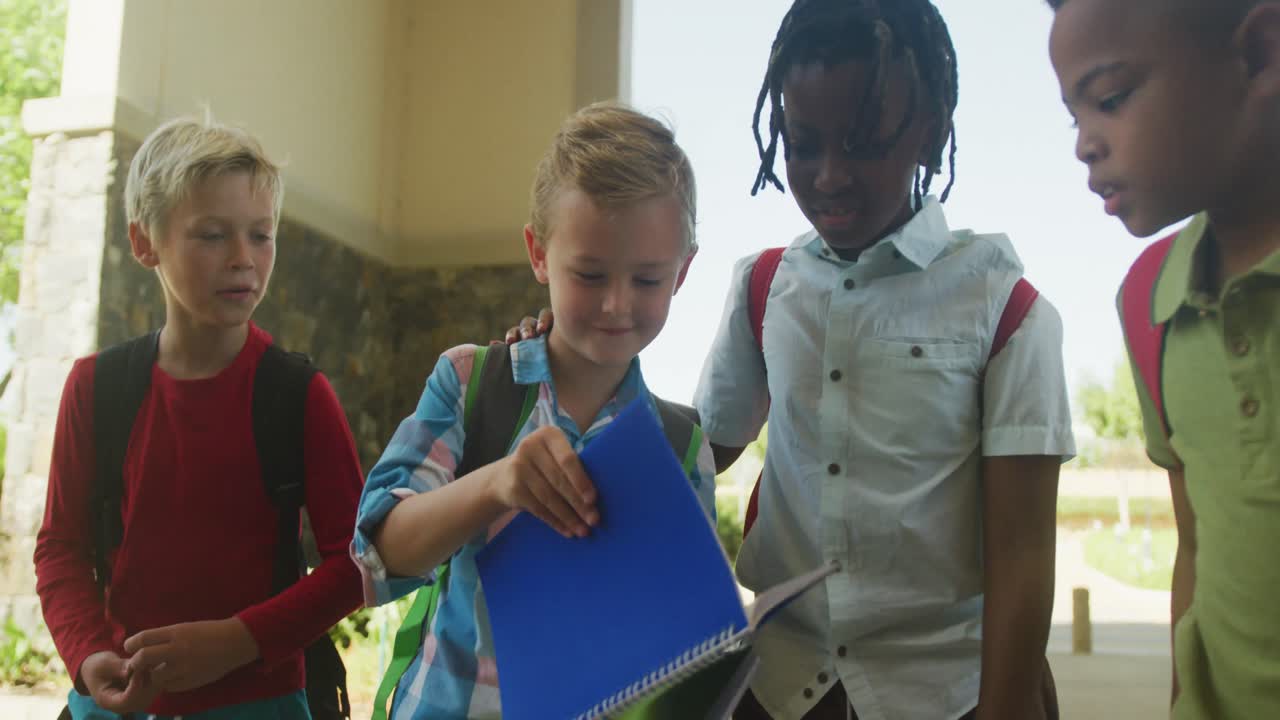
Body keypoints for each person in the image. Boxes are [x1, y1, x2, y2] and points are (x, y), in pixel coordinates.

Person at [351, 102, 717, 719]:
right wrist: (498, 483)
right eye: (591, 274)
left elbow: (681, 644)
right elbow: (376, 562)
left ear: (682, 273)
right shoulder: (471, 383)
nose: (616, 305)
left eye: (648, 280)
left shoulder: (680, 445)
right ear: (539, 253)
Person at [34, 117, 365, 719]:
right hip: (117, 704)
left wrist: (240, 640)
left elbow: (355, 562)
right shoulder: (96, 388)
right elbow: (60, 546)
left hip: (263, 704)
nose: (243, 259)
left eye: (261, 236)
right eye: (213, 236)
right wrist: (86, 654)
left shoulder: (298, 394)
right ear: (144, 242)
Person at [1048, 1, 1280, 716]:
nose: (1085, 145)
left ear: (1260, 53)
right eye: (1074, 116)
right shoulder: (1149, 302)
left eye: (1111, 98)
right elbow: (1196, 550)